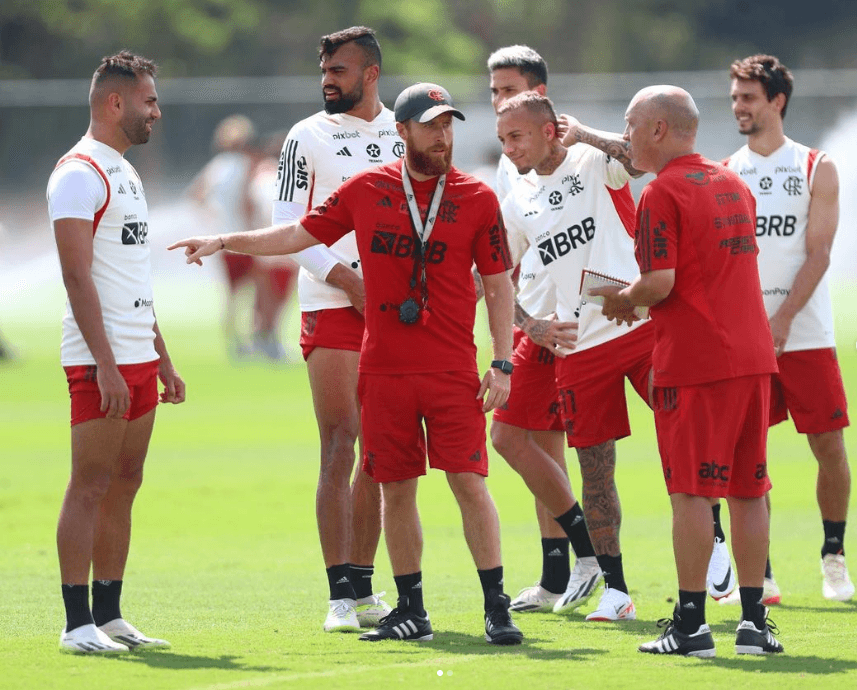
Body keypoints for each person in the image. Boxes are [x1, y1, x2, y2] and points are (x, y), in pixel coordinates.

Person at [169, 82, 524, 646]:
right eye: (430, 125)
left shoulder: (477, 197)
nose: (442, 135)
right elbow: (296, 233)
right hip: (382, 370)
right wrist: (225, 239)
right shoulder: (368, 190)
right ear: (401, 132)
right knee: (397, 488)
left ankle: (496, 606)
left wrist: (503, 363)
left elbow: (499, 284)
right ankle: (411, 608)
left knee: (470, 485)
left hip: (453, 368)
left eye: (448, 124)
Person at [598, 85, 783, 657]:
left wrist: (622, 298)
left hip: (697, 364)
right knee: (750, 491)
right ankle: (753, 623)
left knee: (692, 494)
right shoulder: (732, 180)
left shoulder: (661, 191)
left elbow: (660, 283)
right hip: (752, 359)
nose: (625, 136)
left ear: (657, 129)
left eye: (630, 125)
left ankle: (692, 625)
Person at [47, 51, 186, 654]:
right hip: (97, 359)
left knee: (126, 481)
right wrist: (104, 362)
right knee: (90, 482)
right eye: (148, 100)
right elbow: (78, 278)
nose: (156, 110)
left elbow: (132, 277)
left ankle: (109, 614)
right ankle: (75, 623)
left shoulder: (124, 171)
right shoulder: (79, 173)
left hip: (136, 357)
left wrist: (163, 357)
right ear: (115, 103)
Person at [496, 91, 652, 623]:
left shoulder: (592, 159)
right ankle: (616, 589)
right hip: (580, 350)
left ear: (547, 130)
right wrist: (532, 325)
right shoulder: (517, 199)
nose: (509, 148)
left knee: (686, 431)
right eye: (502, 139)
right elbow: (494, 277)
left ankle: (720, 545)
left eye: (516, 136)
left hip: (639, 328)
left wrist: (585, 133)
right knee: (595, 473)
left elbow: (640, 158)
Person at [271, 26, 402, 632]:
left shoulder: (405, 129)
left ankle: (366, 586)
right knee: (339, 441)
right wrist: (348, 282)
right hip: (331, 302)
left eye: (340, 70)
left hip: (398, 314)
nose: (328, 79)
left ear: (370, 73)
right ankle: (338, 597)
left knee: (381, 451)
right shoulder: (307, 136)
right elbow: (287, 225)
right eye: (324, 68)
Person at [718, 54, 852, 604]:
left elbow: (818, 255)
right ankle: (762, 572)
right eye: (734, 98)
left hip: (806, 335)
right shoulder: (727, 171)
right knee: (746, 456)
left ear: (776, 101)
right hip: (749, 342)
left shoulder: (816, 166)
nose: (738, 107)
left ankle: (834, 557)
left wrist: (782, 319)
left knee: (829, 447)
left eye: (748, 97)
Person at [487, 45, 601, 616]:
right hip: (539, 323)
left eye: (510, 91)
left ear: (540, 98)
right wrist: (524, 324)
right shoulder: (511, 163)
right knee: (535, 445)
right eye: (494, 93)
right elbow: (506, 261)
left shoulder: (581, 153)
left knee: (542, 446)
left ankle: (597, 565)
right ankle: (561, 575)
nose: (500, 103)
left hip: (592, 325)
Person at [186, 114, 259, 359]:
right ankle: (256, 337)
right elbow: (246, 201)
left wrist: (212, 217)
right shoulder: (246, 164)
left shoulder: (218, 165)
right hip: (243, 237)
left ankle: (235, 342)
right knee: (258, 287)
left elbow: (196, 194)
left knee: (232, 294)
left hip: (221, 238)